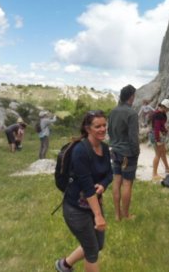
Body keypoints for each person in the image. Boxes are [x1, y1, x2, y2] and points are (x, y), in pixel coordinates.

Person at [55, 110, 113, 272]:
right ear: (88, 129)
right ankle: (64, 265)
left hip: (94, 204)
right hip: (76, 209)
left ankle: (64, 265)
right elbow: (87, 187)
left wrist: (103, 184)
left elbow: (109, 173)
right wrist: (99, 216)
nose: (102, 129)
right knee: (92, 251)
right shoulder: (80, 151)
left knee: (97, 245)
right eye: (97, 126)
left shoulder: (105, 148)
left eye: (104, 125)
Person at [108, 84, 139, 221]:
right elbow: (133, 137)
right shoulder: (132, 113)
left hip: (115, 150)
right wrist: (136, 152)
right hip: (128, 152)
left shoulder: (113, 111)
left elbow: (109, 131)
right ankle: (126, 215)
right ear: (131, 96)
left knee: (117, 180)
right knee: (127, 183)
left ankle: (117, 215)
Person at [149, 99, 169, 180]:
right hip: (155, 135)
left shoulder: (161, 114)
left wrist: (165, 131)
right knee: (158, 154)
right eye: (168, 109)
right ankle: (154, 174)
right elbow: (157, 128)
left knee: (163, 152)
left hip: (158, 135)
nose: (168, 111)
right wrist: (157, 140)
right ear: (164, 107)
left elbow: (161, 126)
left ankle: (167, 169)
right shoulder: (158, 115)